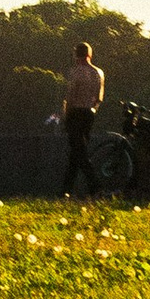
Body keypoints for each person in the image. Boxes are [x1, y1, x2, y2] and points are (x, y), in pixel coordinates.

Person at [60, 39, 105, 193]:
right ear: (89, 54)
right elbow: (99, 97)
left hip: (76, 113)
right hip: (90, 113)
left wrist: (66, 115)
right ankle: (66, 189)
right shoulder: (98, 73)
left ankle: (95, 185)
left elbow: (71, 96)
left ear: (75, 55)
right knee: (76, 152)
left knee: (79, 152)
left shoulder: (76, 72)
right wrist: (92, 109)